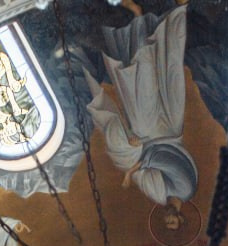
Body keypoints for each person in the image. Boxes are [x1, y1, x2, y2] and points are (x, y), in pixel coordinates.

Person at [85, 5, 199, 209]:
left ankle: (128, 19)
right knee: (148, 75)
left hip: (146, 133)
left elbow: (145, 172)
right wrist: (130, 173)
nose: (169, 221)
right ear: (182, 219)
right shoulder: (185, 189)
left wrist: (132, 153)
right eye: (173, 222)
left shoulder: (161, 195)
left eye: (166, 223)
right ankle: (138, 16)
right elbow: (164, 159)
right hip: (160, 130)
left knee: (134, 81)